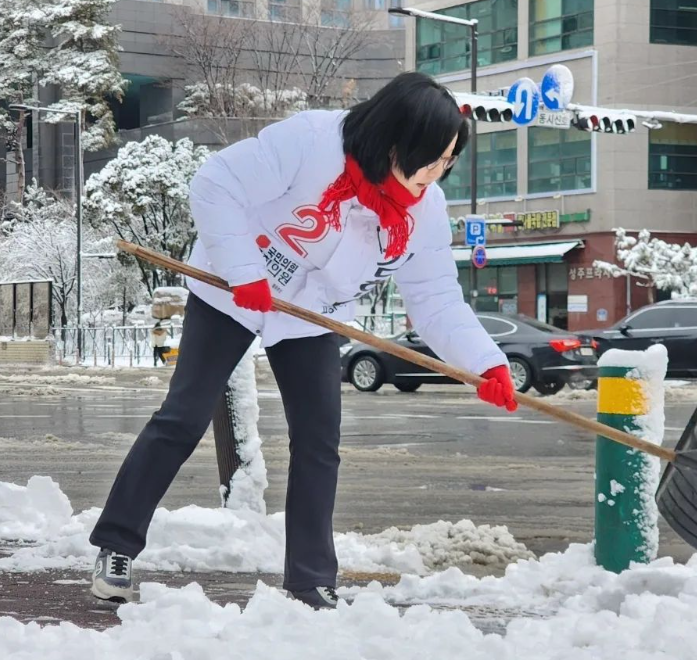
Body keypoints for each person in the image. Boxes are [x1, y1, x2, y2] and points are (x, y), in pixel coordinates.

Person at [89, 71, 518, 610]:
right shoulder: (313, 143)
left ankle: (311, 579)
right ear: (395, 142)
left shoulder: (424, 212)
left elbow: (435, 299)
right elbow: (216, 183)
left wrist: (485, 362)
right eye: (429, 158)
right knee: (184, 416)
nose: (436, 174)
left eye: (447, 161)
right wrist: (244, 270)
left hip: (313, 314)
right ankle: (116, 545)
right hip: (232, 289)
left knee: (319, 440)